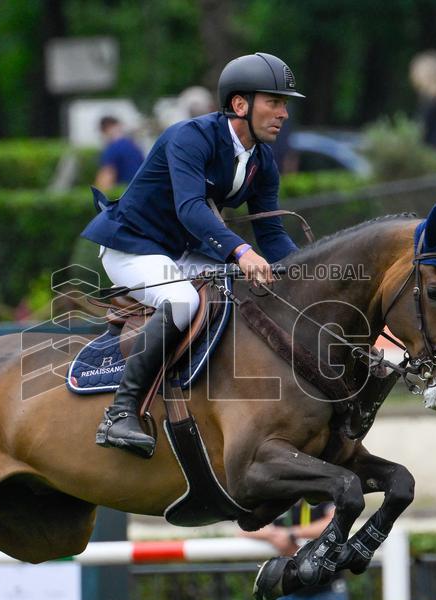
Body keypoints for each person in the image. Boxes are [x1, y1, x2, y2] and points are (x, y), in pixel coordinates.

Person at [81, 52, 304, 458]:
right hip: (132, 246)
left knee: (248, 291)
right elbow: (190, 208)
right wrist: (240, 251)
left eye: (284, 103)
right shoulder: (190, 137)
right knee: (182, 301)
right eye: (275, 101)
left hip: (181, 251)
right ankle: (120, 413)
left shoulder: (263, 162)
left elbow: (271, 233)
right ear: (241, 105)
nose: (284, 113)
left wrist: (306, 275)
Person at [243, 501, 349, 600]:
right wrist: (275, 535)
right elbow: (244, 526)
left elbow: (338, 522)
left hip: (326, 594)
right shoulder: (275, 496)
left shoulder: (325, 489)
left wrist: (292, 535)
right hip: (287, 595)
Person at [94, 116, 146, 191]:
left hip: (123, 194)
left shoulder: (112, 149)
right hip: (141, 191)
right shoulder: (134, 145)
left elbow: (105, 180)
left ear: (104, 130)